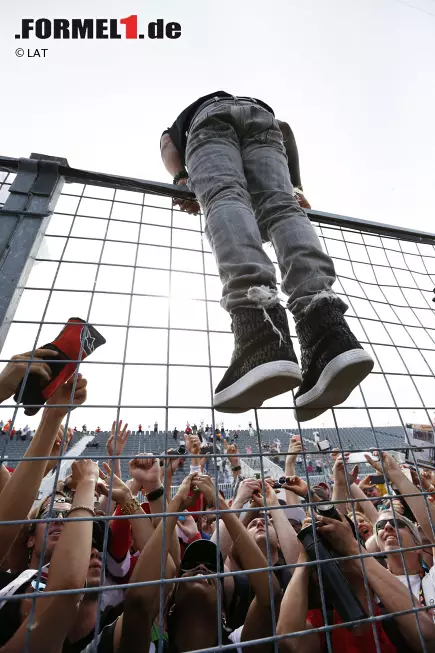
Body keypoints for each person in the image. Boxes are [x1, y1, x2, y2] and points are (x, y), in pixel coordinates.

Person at [161, 91, 373, 420]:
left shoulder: (185, 120)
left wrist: (181, 179)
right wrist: (297, 187)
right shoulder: (261, 114)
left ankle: (258, 331)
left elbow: (165, 142)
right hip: (263, 117)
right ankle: (327, 331)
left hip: (207, 120)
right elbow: (284, 129)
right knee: (282, 208)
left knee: (223, 196)